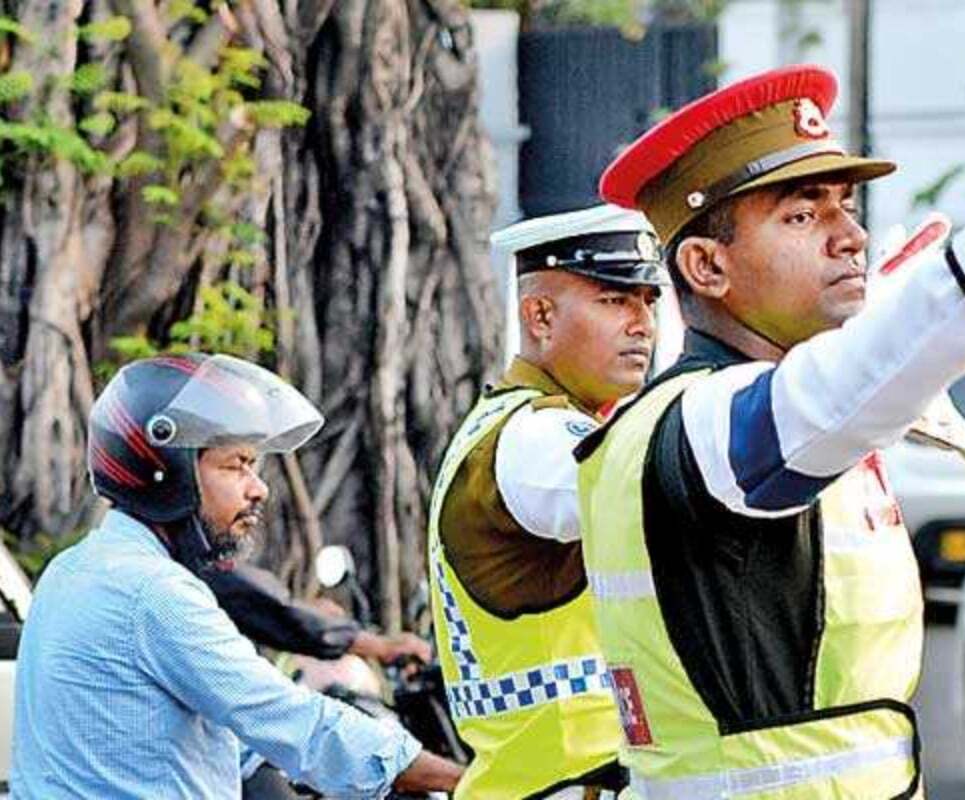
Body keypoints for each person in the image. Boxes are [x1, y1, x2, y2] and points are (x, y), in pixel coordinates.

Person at [571, 1, 965, 797]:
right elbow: (871, 368)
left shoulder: (752, 409)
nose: (851, 236)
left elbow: (892, 360)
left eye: (848, 206)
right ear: (706, 267)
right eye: (803, 214)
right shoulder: (701, 423)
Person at [11, 353, 461, 798]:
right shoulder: (153, 592)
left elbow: (211, 735)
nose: (258, 488)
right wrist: (463, 780)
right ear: (167, 471)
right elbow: (300, 725)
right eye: (235, 465)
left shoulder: (70, 570)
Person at [426, 205, 667, 799]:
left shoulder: (516, 423)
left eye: (648, 301)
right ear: (539, 316)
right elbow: (663, 497)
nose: (642, 324)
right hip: (566, 783)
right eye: (615, 300)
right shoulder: (535, 437)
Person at [206, 563, 433, 665]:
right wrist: (381, 646)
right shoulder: (195, 565)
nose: (258, 490)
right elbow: (276, 610)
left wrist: (308, 610)